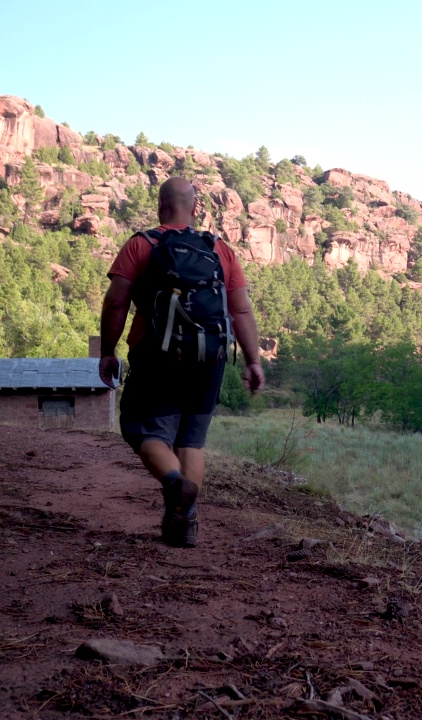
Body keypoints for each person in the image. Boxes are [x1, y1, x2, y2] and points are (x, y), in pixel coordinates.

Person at [99, 177, 264, 548]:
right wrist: (254, 361)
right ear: (194, 208)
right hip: (210, 358)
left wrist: (107, 351)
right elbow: (240, 310)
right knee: (191, 441)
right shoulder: (219, 249)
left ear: (161, 206)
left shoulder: (142, 244)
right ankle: (184, 521)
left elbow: (116, 303)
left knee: (142, 430)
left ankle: (176, 486)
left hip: (157, 356)